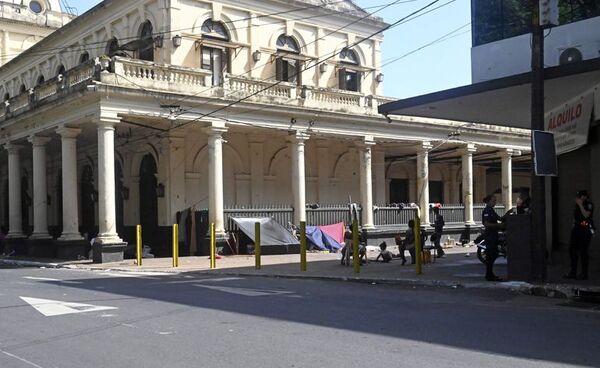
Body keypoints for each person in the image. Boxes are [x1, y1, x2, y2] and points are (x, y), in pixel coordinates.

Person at [565, 190, 595, 280]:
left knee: (583, 251)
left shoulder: (588, 204)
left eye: (579, 197)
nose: (577, 199)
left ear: (584, 197)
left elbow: (586, 215)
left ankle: (584, 273)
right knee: (572, 249)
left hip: (585, 229)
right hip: (577, 229)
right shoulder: (577, 206)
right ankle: (573, 271)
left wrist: (581, 205)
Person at [482, 194, 505, 281]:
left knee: (494, 254)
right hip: (490, 235)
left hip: (494, 234)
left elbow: (500, 218)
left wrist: (507, 215)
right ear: (488, 201)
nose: (495, 202)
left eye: (495, 201)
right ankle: (489, 274)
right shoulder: (487, 211)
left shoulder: (492, 210)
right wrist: (498, 225)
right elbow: (486, 224)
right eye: (493, 201)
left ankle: (490, 274)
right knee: (491, 255)